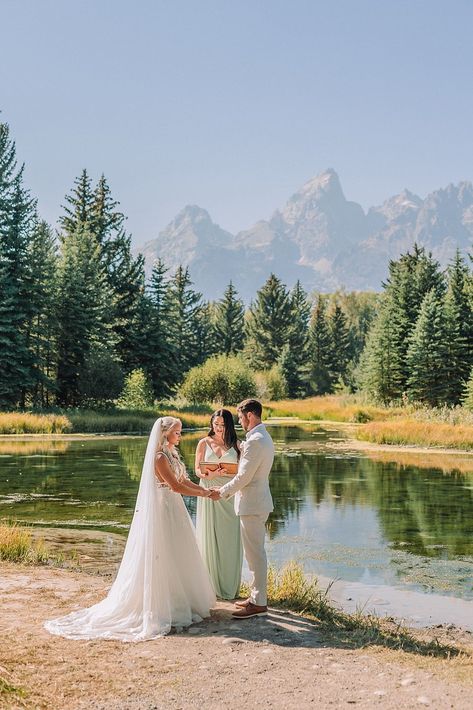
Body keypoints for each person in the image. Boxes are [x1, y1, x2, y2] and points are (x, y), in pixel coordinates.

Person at [44, 417, 216, 641]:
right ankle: (163, 605)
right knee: (161, 553)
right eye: (177, 432)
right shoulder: (159, 458)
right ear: (164, 434)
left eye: (180, 432)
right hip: (163, 509)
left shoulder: (172, 453)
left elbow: (185, 480)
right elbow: (175, 487)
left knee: (179, 552)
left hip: (175, 509)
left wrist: (206, 489)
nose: (180, 436)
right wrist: (202, 494)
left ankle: (183, 600)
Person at [209, 399, 274, 619]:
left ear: (251, 415)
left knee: (255, 554)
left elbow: (244, 477)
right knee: (254, 552)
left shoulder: (256, 440)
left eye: (241, 417)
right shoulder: (262, 437)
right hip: (257, 501)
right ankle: (256, 597)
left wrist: (222, 491)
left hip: (252, 503)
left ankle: (258, 603)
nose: (240, 422)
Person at [195, 409, 243, 599]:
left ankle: (229, 586)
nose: (219, 428)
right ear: (211, 424)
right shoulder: (203, 442)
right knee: (209, 535)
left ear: (229, 425)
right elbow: (197, 470)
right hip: (208, 490)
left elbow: (243, 472)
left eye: (222, 425)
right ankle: (210, 587)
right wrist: (210, 475)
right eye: (216, 425)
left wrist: (230, 473)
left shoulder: (237, 445)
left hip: (229, 494)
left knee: (230, 538)